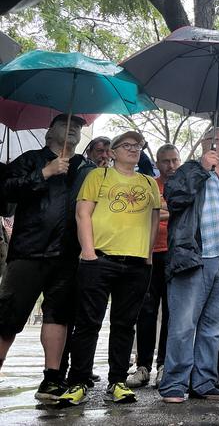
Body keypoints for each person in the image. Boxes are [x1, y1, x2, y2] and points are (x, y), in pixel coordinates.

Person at [58, 131, 161, 406]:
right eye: (126, 145)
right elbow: (83, 214)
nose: (133, 149)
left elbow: (154, 220)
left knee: (125, 325)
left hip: (137, 264)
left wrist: (148, 255)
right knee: (88, 323)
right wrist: (89, 253)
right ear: (113, 152)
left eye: (137, 146)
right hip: (99, 260)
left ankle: (117, 381)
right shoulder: (97, 176)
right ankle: (77, 381)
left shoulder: (149, 183)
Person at [0, 114, 87, 401]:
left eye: (78, 126)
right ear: (50, 132)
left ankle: (51, 379)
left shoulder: (83, 167)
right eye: (67, 124)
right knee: (8, 315)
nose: (73, 128)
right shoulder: (30, 159)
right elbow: (4, 192)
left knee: (59, 316)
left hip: (67, 255)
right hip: (29, 249)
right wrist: (44, 174)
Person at [159, 127, 219, 403]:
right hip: (195, 257)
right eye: (214, 141)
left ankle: (204, 381)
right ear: (203, 143)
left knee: (215, 326)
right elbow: (174, 199)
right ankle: (174, 383)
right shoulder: (187, 171)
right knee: (184, 324)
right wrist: (201, 169)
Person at [126, 144, 181, 389]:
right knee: (146, 310)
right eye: (165, 161)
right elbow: (142, 213)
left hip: (175, 254)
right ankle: (143, 365)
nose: (170, 166)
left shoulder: (182, 187)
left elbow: (183, 212)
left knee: (172, 312)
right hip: (148, 253)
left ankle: (163, 366)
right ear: (157, 164)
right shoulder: (149, 186)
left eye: (174, 160)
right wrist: (166, 212)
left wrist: (162, 211)